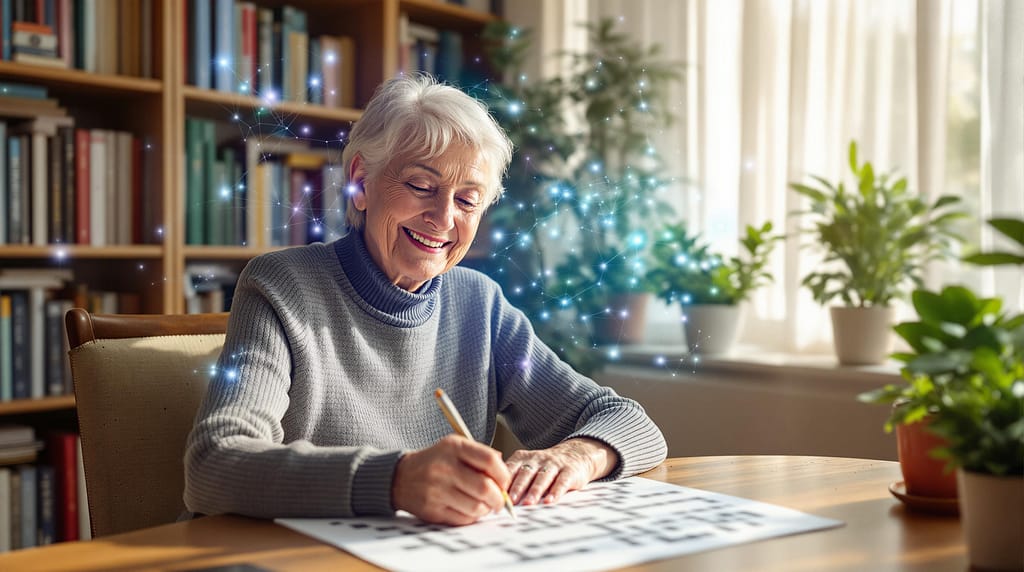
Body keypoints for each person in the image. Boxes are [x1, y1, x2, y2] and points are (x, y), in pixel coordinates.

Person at [183, 74, 667, 526]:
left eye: (467, 200)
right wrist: (395, 481)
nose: (442, 218)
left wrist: (575, 456)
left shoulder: (481, 305)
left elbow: (632, 424)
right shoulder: (282, 287)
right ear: (361, 181)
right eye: (421, 186)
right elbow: (213, 464)